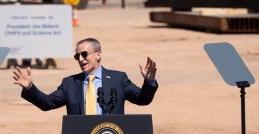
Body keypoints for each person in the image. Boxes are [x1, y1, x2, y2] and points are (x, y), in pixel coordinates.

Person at [13, 38, 158, 115]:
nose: (81, 59)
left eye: (84, 54)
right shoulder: (69, 83)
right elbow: (47, 103)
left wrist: (149, 82)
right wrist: (30, 88)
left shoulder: (118, 79)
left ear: (98, 54)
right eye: (77, 56)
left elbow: (142, 99)